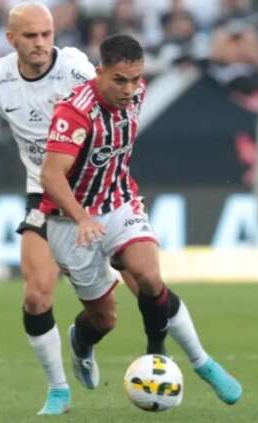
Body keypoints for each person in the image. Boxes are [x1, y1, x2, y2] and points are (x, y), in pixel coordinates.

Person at [0, 1, 207, 416]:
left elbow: (115, 98)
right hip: (45, 196)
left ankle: (171, 356)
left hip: (99, 194)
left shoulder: (78, 67)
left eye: (46, 34)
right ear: (11, 39)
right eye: (30, 36)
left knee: (133, 295)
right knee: (36, 296)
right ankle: (58, 390)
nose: (41, 43)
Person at [40, 34, 243, 405]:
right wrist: (83, 218)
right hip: (71, 221)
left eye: (136, 79)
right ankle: (81, 342)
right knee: (104, 319)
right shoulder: (74, 113)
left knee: (149, 276)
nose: (130, 89)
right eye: (120, 80)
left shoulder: (137, 93)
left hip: (119, 201)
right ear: (99, 73)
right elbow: (51, 176)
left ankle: (165, 356)